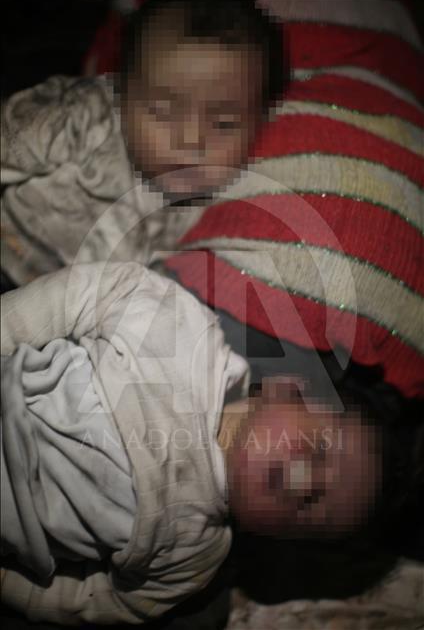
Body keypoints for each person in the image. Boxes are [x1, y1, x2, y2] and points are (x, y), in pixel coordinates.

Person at [1, 261, 382, 625]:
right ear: (285, 388)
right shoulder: (188, 335)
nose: (308, 483)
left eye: (313, 509)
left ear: (276, 538)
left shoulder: (194, 557)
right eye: (319, 449)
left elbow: (103, 600)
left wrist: (13, 586)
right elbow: (91, 291)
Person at [0, 0, 285, 288]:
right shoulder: (85, 118)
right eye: (162, 111)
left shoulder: (219, 199)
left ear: (260, 124)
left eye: (224, 124)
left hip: (66, 302)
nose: (191, 140)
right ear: (120, 93)